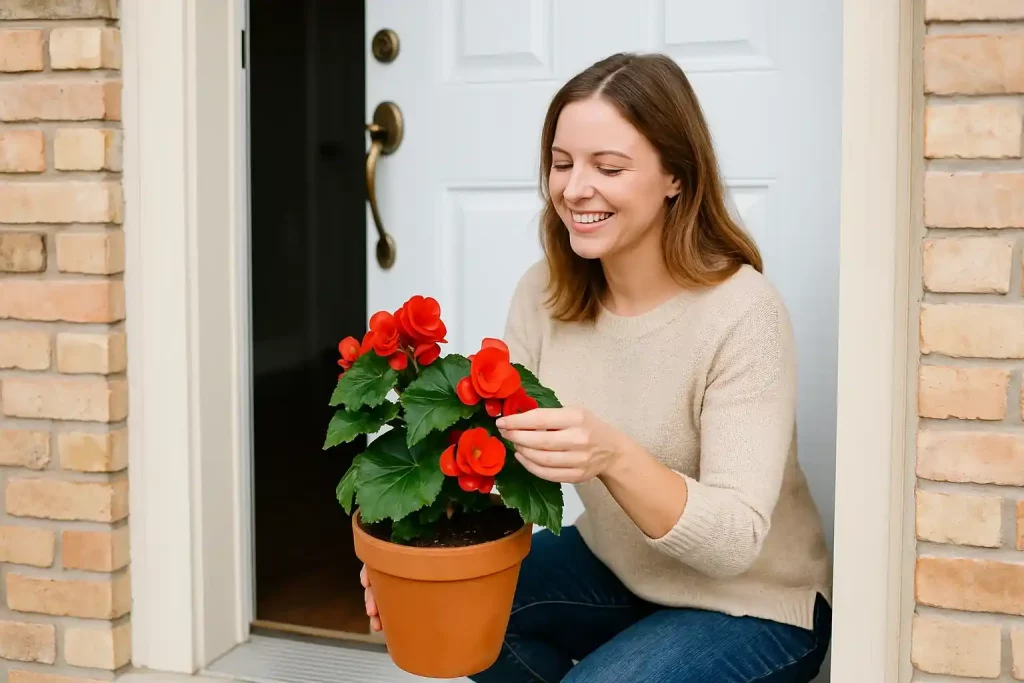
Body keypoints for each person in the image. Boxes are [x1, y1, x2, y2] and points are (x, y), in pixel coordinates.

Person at [361, 52, 833, 683]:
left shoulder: (742, 312)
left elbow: (733, 541)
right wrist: (403, 555)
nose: (574, 188)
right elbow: (483, 447)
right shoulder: (546, 292)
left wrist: (614, 456)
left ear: (675, 177)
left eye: (608, 167)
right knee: (449, 606)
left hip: (755, 605)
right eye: (561, 163)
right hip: (615, 567)